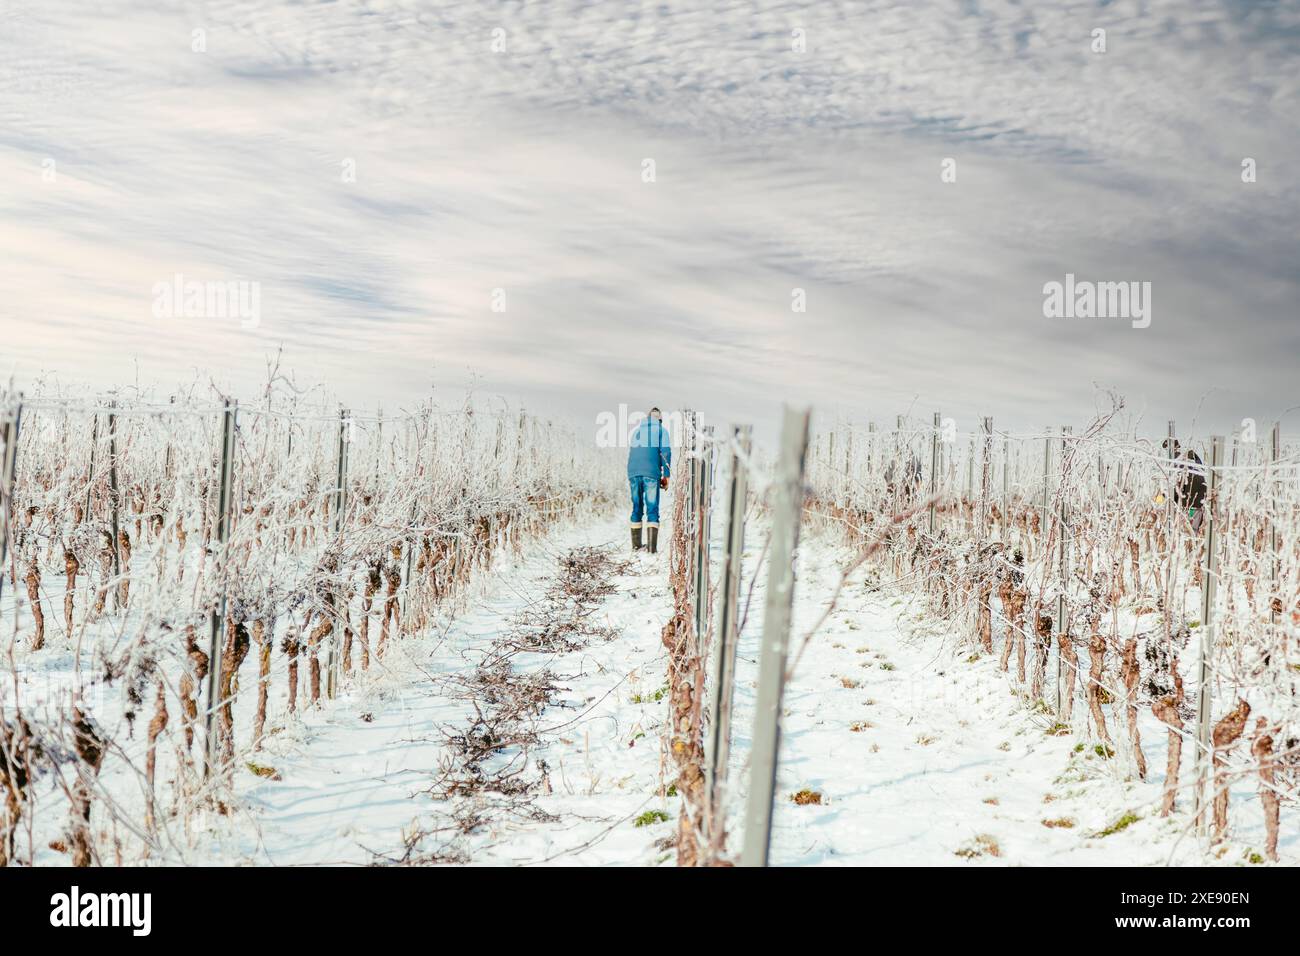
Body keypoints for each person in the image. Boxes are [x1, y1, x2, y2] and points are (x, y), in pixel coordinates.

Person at [627, 407, 671, 553]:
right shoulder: (661, 431)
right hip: (651, 474)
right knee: (652, 509)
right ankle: (651, 550)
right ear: (660, 420)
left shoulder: (636, 432)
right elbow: (665, 453)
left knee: (637, 508)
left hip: (633, 473)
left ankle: (636, 547)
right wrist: (666, 476)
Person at [1162, 438, 1207, 531]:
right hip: (1198, 503)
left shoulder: (1177, 464)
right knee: (1193, 532)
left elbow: (1175, 488)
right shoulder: (1194, 462)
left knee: (1184, 532)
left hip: (1187, 504)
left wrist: (1161, 498)